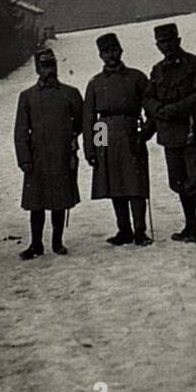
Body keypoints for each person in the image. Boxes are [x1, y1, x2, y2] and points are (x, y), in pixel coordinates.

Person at [144, 23, 196, 243]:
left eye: (170, 41)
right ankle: (189, 224)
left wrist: (173, 109)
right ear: (157, 45)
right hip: (170, 136)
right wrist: (158, 110)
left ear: (178, 41)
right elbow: (148, 97)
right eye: (162, 43)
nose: (166, 46)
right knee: (178, 182)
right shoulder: (157, 71)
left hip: (194, 132)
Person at [84, 32, 152, 246]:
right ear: (100, 55)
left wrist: (144, 134)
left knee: (135, 183)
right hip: (105, 131)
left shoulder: (136, 77)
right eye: (106, 52)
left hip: (131, 130)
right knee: (114, 183)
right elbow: (91, 119)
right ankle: (124, 229)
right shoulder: (95, 83)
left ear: (120, 51)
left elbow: (151, 108)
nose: (110, 55)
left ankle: (140, 230)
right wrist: (94, 149)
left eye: (114, 50)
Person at [14, 47, 83, 258]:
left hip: (62, 155)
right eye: (44, 66)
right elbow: (20, 131)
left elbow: (82, 122)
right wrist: (24, 159)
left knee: (59, 202)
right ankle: (36, 244)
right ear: (36, 68)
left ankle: (57, 242)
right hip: (37, 158)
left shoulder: (70, 93)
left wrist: (71, 140)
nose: (49, 70)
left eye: (52, 65)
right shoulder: (27, 97)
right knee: (37, 204)